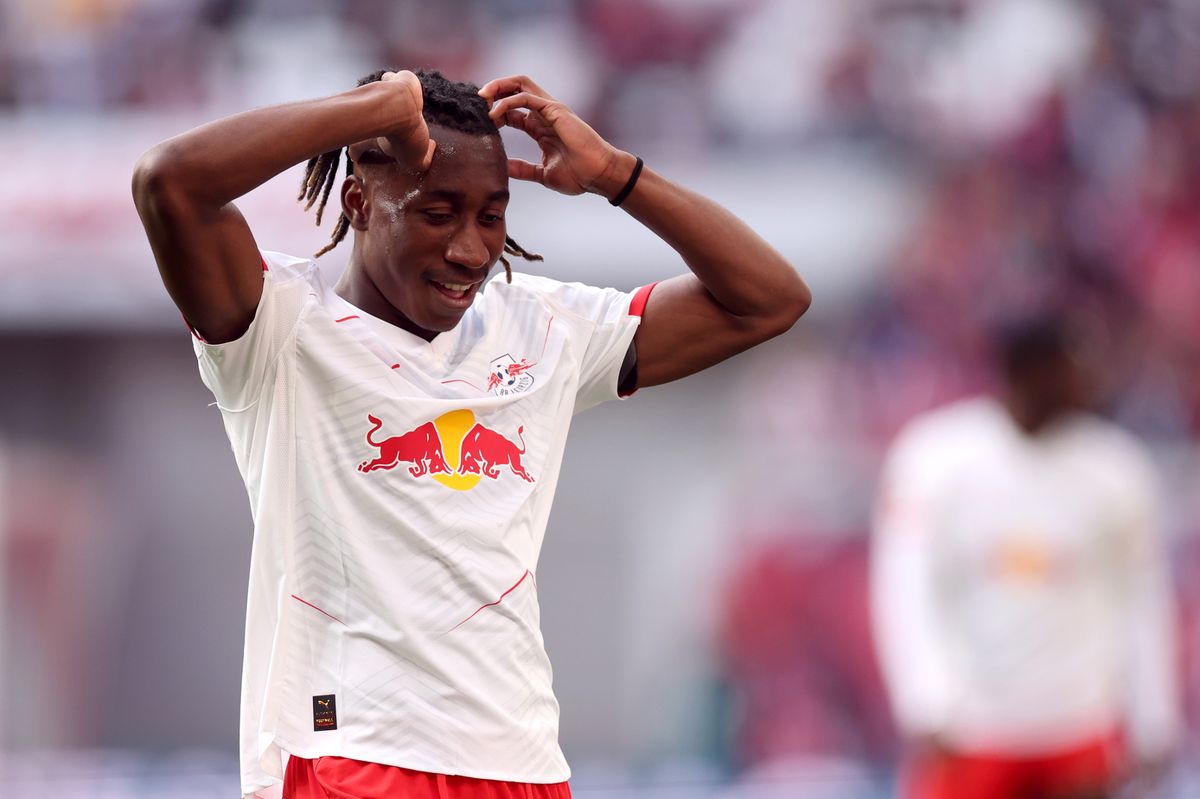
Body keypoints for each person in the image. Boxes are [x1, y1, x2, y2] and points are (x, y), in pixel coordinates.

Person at [131, 69, 810, 799]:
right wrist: (375, 109)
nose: (471, 250)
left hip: (523, 765)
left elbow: (768, 300)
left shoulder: (544, 327)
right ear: (359, 202)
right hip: (350, 756)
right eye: (438, 213)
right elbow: (170, 183)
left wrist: (617, 175)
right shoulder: (281, 323)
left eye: (491, 216)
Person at [870, 315, 1180, 799]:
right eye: (1069, 365)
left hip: (1078, 725)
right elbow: (905, 588)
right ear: (1024, 369)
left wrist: (1154, 719)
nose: (1085, 379)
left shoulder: (1116, 470)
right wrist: (923, 701)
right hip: (971, 729)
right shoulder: (936, 460)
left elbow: (1141, 598)